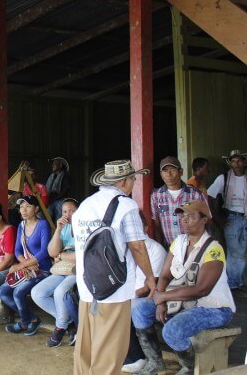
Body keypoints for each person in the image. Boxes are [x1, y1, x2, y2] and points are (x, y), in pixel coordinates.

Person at [72, 160, 157, 374]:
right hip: (115, 288)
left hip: (88, 284)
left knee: (87, 345)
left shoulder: (85, 204)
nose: (134, 183)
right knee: (110, 349)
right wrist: (150, 277)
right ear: (124, 181)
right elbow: (137, 246)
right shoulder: (126, 206)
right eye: (133, 179)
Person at [131, 200, 234, 374]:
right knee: (139, 308)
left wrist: (163, 297)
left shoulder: (214, 249)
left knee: (173, 330)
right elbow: (164, 276)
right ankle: (155, 361)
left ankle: (189, 367)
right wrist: (161, 301)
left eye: (191, 216)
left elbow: (202, 290)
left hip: (213, 308)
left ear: (204, 220)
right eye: (183, 216)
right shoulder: (178, 242)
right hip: (181, 302)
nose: (184, 220)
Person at [0, 195, 52, 336]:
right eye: (22, 207)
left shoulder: (43, 224)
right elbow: (17, 250)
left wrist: (22, 266)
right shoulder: (21, 226)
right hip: (28, 268)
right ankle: (33, 319)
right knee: (2, 291)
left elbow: (44, 251)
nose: (24, 210)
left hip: (42, 270)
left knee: (18, 292)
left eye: (28, 206)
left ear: (36, 209)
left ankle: (24, 323)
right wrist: (25, 265)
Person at [122, 211, 167, 373]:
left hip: (148, 296)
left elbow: (151, 285)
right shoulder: (125, 249)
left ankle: (137, 357)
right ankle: (124, 354)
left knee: (130, 306)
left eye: (137, 225)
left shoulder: (155, 249)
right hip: (130, 294)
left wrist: (128, 296)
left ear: (146, 227)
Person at [31, 198, 79, 347]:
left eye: (72, 210)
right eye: (65, 211)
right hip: (63, 269)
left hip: (78, 270)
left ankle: (60, 328)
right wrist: (58, 229)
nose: (68, 214)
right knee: (37, 292)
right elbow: (52, 252)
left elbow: (79, 256)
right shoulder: (64, 228)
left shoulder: (83, 227)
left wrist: (60, 256)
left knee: (60, 292)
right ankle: (68, 323)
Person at [207, 149, 247, 290]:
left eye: (239, 161)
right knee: (234, 251)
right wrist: (217, 217)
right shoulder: (223, 177)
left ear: (244, 162)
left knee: (241, 252)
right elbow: (209, 196)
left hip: (245, 217)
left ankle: (237, 282)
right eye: (233, 161)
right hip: (231, 217)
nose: (236, 164)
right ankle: (234, 284)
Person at [150, 156, 206, 248]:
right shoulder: (156, 195)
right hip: (169, 249)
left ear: (181, 172)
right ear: (161, 174)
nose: (169, 174)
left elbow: (205, 222)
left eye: (172, 169)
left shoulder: (195, 194)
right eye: (165, 171)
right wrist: (161, 248)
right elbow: (157, 225)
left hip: (192, 247)